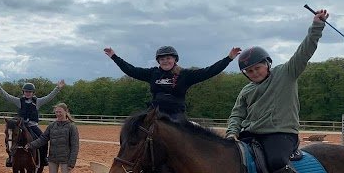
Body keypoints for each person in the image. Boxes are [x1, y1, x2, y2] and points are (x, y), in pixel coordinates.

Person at [226, 8, 329, 173]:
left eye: (257, 67)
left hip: (280, 134)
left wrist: (316, 26)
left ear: (267, 64)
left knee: (275, 162)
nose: (254, 72)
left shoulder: (287, 73)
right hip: (251, 134)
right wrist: (232, 132)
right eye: (249, 71)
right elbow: (237, 114)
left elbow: (305, 51)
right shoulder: (246, 91)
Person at [103, 45, 242, 122]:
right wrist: (114, 57)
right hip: (155, 113)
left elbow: (209, 71)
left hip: (176, 115)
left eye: (168, 58)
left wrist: (228, 58)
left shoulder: (185, 75)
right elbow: (131, 70)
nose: (165, 61)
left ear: (174, 59)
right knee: (133, 128)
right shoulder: (152, 73)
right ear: (158, 61)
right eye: (162, 59)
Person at [0, 79, 65, 166]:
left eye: (30, 92)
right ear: (23, 92)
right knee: (10, 139)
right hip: (22, 126)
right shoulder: (19, 101)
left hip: (33, 126)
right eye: (26, 91)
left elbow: (49, 97)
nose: (28, 93)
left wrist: (58, 88)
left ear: (33, 93)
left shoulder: (38, 101)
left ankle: (43, 158)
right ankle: (10, 158)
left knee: (44, 140)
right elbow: (7, 96)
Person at [26, 103, 80, 173]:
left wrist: (72, 162)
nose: (58, 114)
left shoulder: (71, 127)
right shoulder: (52, 126)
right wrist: (31, 145)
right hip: (53, 158)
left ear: (66, 112)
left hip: (66, 159)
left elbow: (75, 146)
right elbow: (43, 139)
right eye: (56, 112)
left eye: (60, 112)